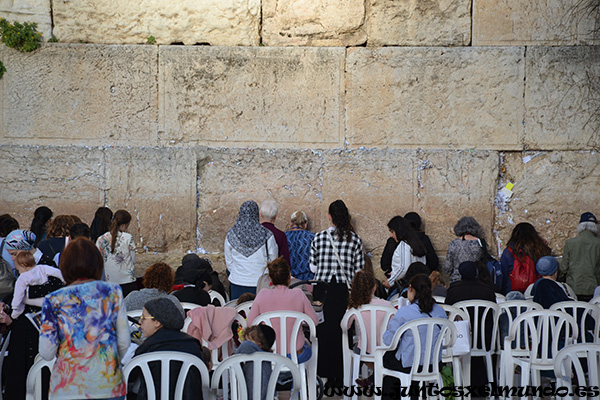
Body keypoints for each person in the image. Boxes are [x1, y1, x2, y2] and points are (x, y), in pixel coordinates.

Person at [39, 237, 130, 400]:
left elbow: (46, 352)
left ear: (65, 265)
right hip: (109, 383)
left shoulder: (53, 300)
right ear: (97, 263)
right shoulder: (113, 292)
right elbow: (124, 341)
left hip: (68, 387)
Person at [309, 199, 365, 388]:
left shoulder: (319, 237)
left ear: (330, 217)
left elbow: (313, 265)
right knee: (343, 330)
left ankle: (324, 374)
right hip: (343, 291)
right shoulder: (355, 240)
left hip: (323, 289)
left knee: (323, 331)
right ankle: (341, 375)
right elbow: (359, 270)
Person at [381, 274, 447, 400]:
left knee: (388, 361)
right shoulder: (440, 311)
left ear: (411, 289)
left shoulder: (404, 312)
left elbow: (388, 341)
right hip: (434, 364)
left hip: (409, 365)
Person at [129, 297, 208, 400]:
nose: (140, 321)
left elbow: (130, 377)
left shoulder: (147, 349)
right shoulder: (193, 345)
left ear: (157, 322)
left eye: (144, 317)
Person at [247, 257, 318, 363]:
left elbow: (250, 323)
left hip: (270, 354)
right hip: (296, 354)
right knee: (310, 345)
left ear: (270, 279)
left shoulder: (262, 294)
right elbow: (314, 321)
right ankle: (299, 377)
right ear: (289, 277)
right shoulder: (298, 294)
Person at [445, 261, 496, 387]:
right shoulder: (488, 290)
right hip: (484, 339)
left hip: (460, 338)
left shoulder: (453, 290)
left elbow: (448, 312)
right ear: (476, 272)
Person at [225, 200, 278, 300]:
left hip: (237, 282)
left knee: (240, 312)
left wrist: (239, 272)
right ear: (257, 214)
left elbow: (229, 262)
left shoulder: (231, 235)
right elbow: (273, 259)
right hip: (260, 283)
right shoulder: (267, 234)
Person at [558, 212, 600, 302]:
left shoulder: (570, 243)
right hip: (593, 288)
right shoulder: (598, 244)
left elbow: (564, 267)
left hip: (574, 287)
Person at [10, 251, 64, 320]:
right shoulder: (41, 268)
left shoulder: (22, 277)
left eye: (19, 270)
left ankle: (17, 311)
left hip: (34, 300)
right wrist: (63, 279)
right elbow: (55, 272)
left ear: (23, 266)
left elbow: (18, 294)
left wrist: (15, 306)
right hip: (47, 295)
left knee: (23, 299)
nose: (19, 272)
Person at [500, 222, 551, 293]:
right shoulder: (540, 250)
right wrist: (544, 246)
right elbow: (548, 267)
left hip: (513, 291)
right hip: (535, 290)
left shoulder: (508, 251)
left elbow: (504, 273)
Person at [97, 209, 137, 296]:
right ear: (124, 225)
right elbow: (133, 260)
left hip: (109, 281)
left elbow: (99, 260)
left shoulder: (101, 239)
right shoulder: (128, 237)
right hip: (127, 281)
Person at [384, 216, 426, 292]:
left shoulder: (404, 245)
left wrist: (390, 282)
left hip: (407, 286)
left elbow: (403, 268)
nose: (391, 235)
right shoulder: (416, 243)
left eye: (392, 232)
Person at [236, 325, 277, 400]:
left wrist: (235, 356)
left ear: (259, 344)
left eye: (249, 339)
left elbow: (245, 346)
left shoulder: (248, 347)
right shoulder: (267, 358)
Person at [443, 216, 487, 283]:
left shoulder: (453, 244)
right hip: (475, 280)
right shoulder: (479, 243)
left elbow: (447, 268)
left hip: (456, 281)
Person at [285, 210, 316, 281]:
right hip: (307, 279)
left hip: (289, 279)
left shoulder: (284, 236)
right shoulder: (312, 237)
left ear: (290, 223)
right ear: (305, 224)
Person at [260, 200, 290, 265]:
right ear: (276, 217)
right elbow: (285, 261)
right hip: (273, 273)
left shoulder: (254, 233)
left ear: (260, 215)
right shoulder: (280, 235)